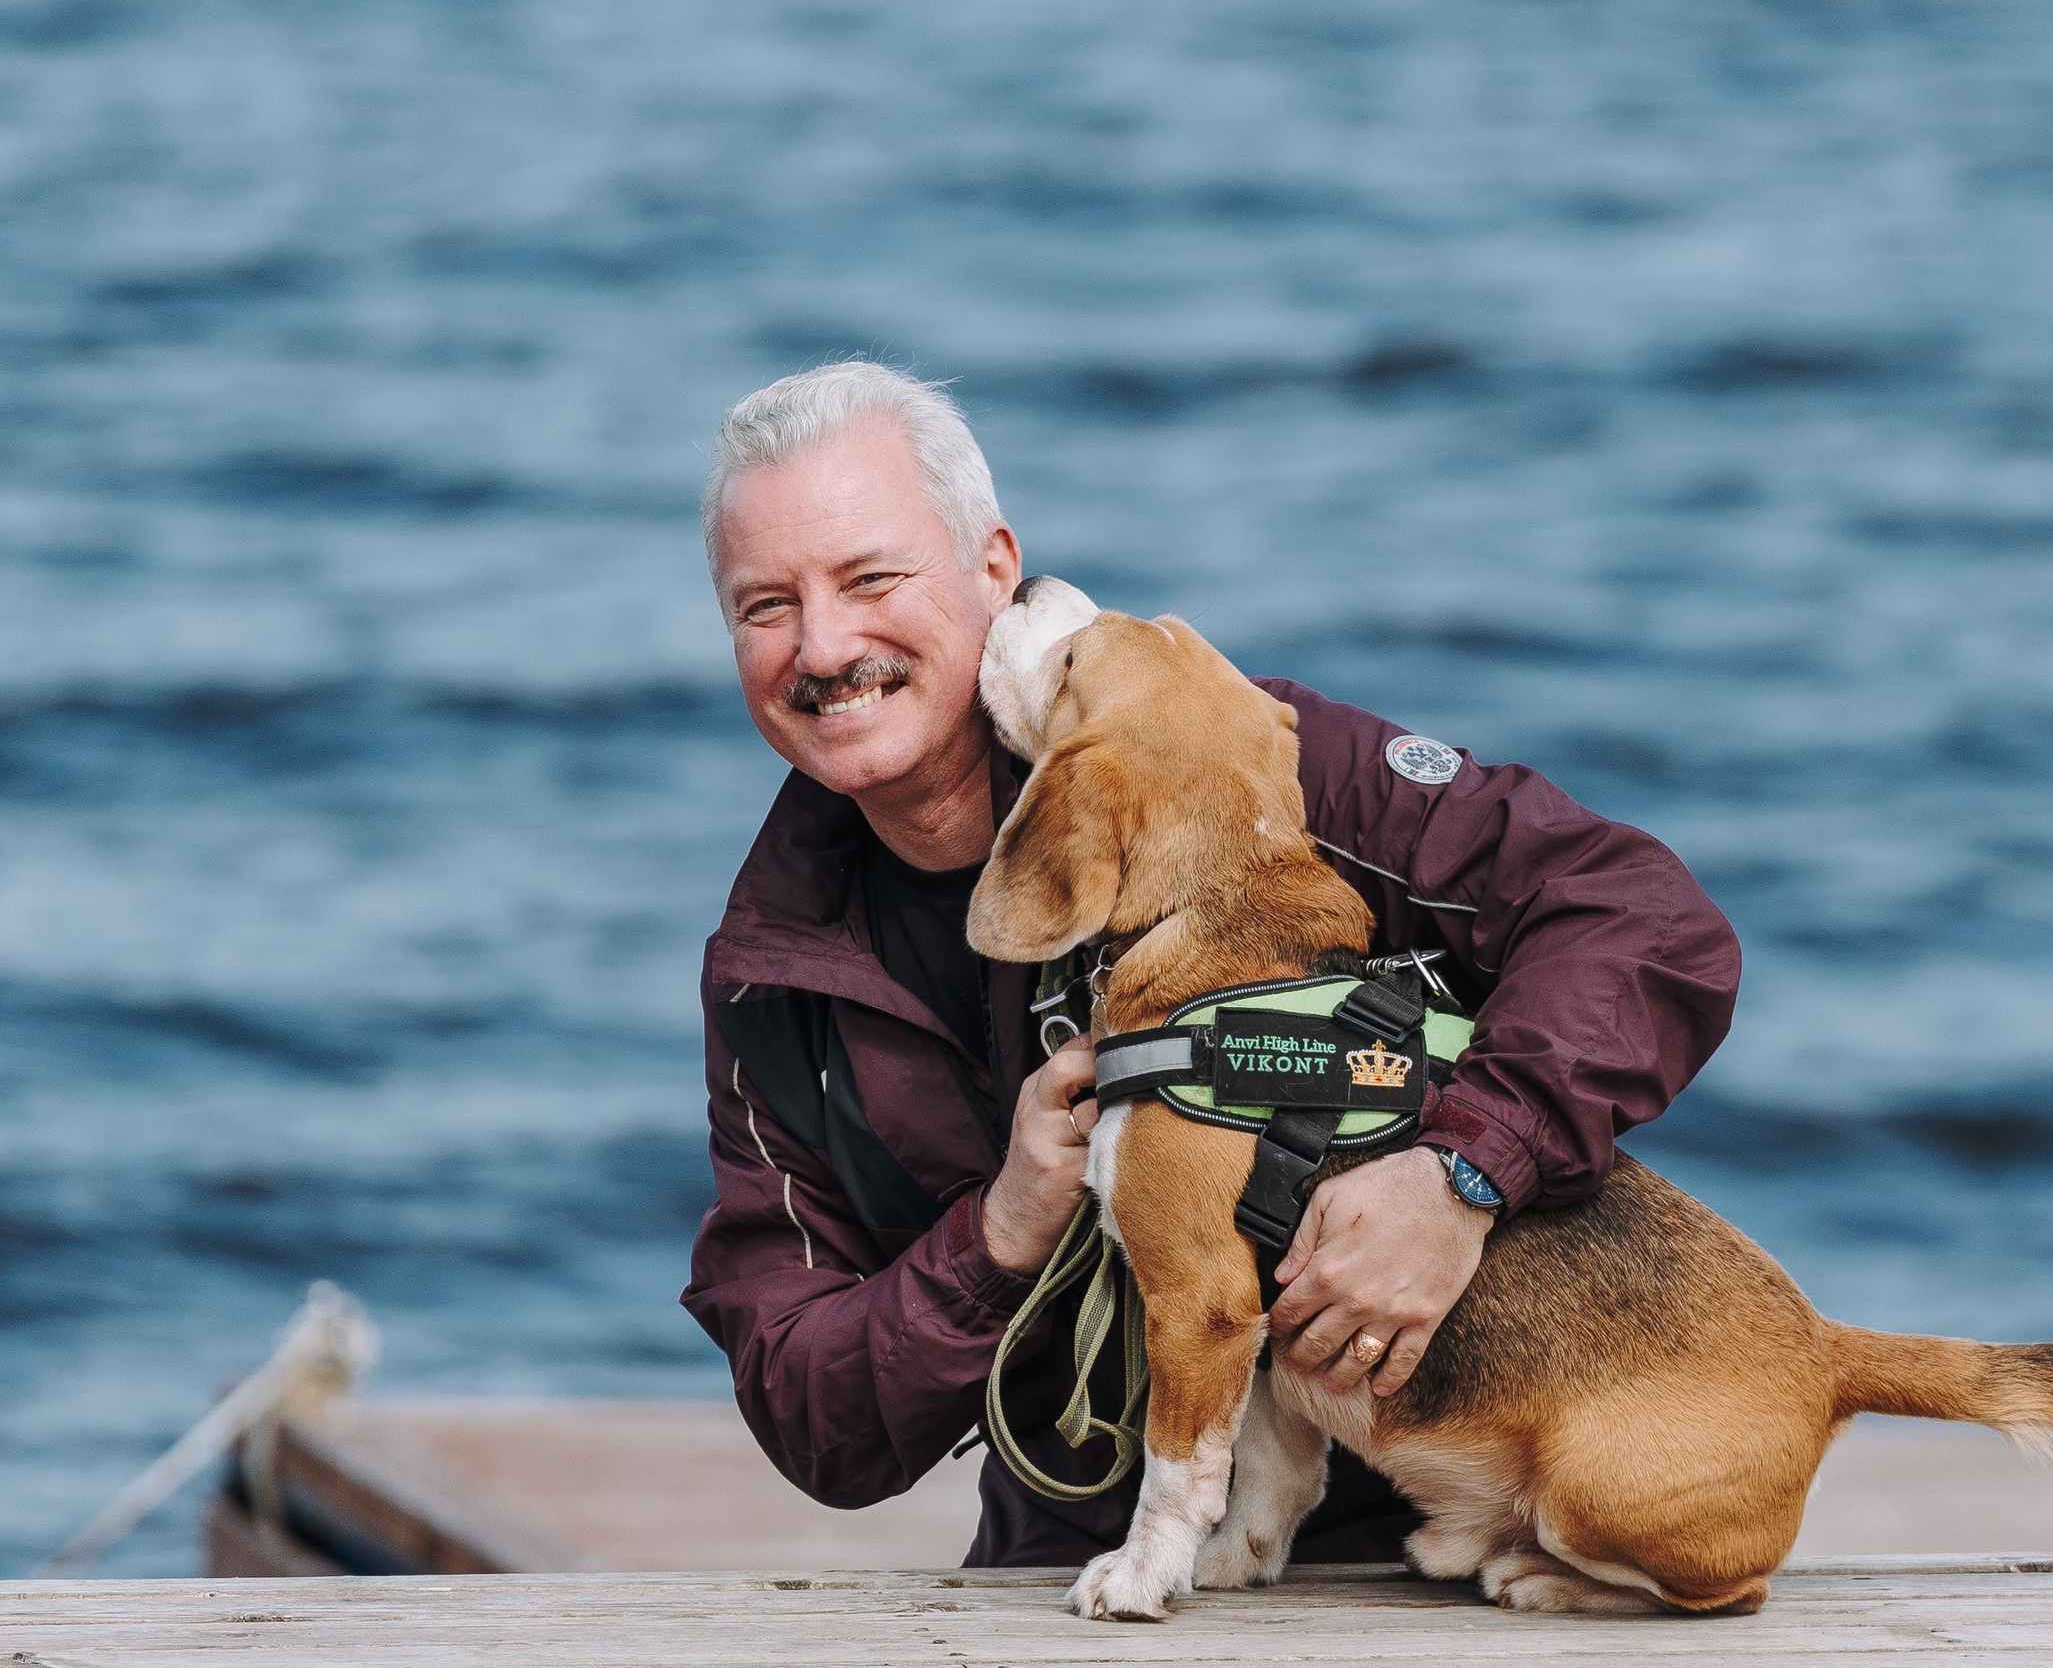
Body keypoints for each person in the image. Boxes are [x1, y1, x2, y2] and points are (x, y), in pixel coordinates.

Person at [680, 361, 1740, 1567]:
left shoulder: (1236, 756)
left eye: (871, 578)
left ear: (991, 565)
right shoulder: (774, 968)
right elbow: (815, 1421)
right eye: (766, 606)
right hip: (1077, 1561)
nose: (823, 644)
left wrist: (1462, 1173)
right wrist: (1000, 1231)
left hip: (1434, 1534)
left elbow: (1644, 919)